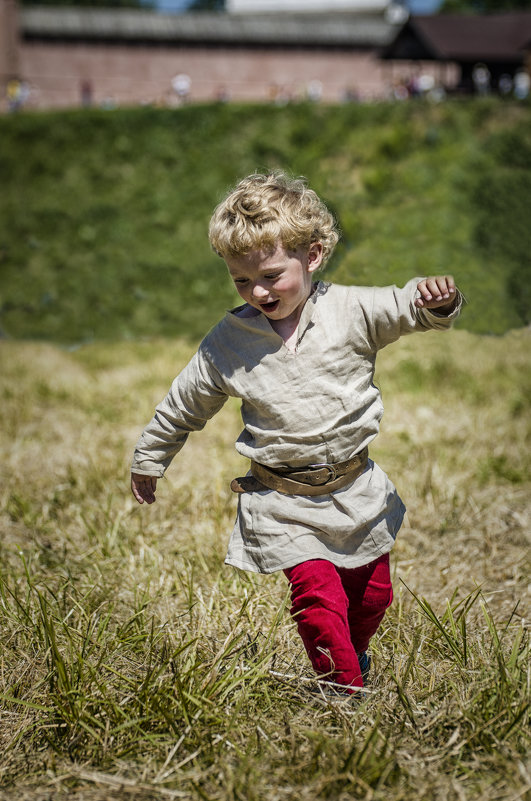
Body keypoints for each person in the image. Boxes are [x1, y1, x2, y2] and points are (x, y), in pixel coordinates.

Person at [131, 172, 462, 696]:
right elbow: (184, 402)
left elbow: (407, 306)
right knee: (317, 602)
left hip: (356, 491)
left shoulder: (351, 310)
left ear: (312, 255)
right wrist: (150, 458)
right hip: (282, 499)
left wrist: (436, 301)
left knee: (373, 597)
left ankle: (354, 656)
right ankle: (344, 696)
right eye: (241, 281)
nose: (258, 291)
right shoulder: (229, 340)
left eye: (269, 275)